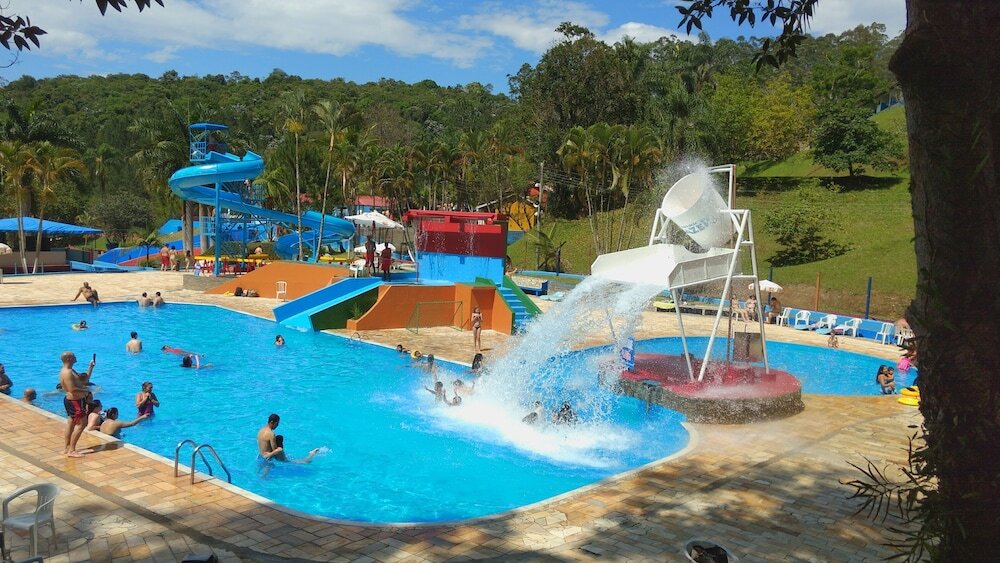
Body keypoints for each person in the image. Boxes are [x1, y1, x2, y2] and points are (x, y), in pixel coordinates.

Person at [59, 350, 95, 457]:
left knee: (71, 423)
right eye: (73, 356)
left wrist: (91, 367)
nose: (75, 357)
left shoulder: (70, 370)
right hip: (75, 402)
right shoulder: (68, 373)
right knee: (82, 424)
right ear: (69, 359)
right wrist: (86, 390)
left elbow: (83, 380)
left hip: (73, 401)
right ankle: (72, 450)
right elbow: (72, 389)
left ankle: (67, 448)